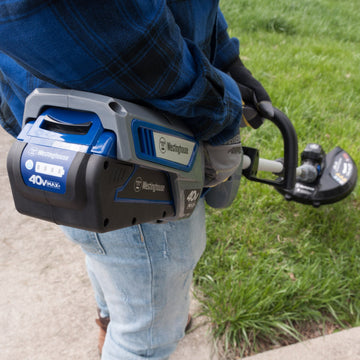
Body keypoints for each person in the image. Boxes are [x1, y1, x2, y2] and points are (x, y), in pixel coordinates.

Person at [0, 1, 273, 359]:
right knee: (146, 336)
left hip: (71, 127)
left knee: (106, 245)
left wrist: (225, 56)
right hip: (136, 153)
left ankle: (114, 318)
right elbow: (109, 34)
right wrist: (218, 110)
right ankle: (142, 326)